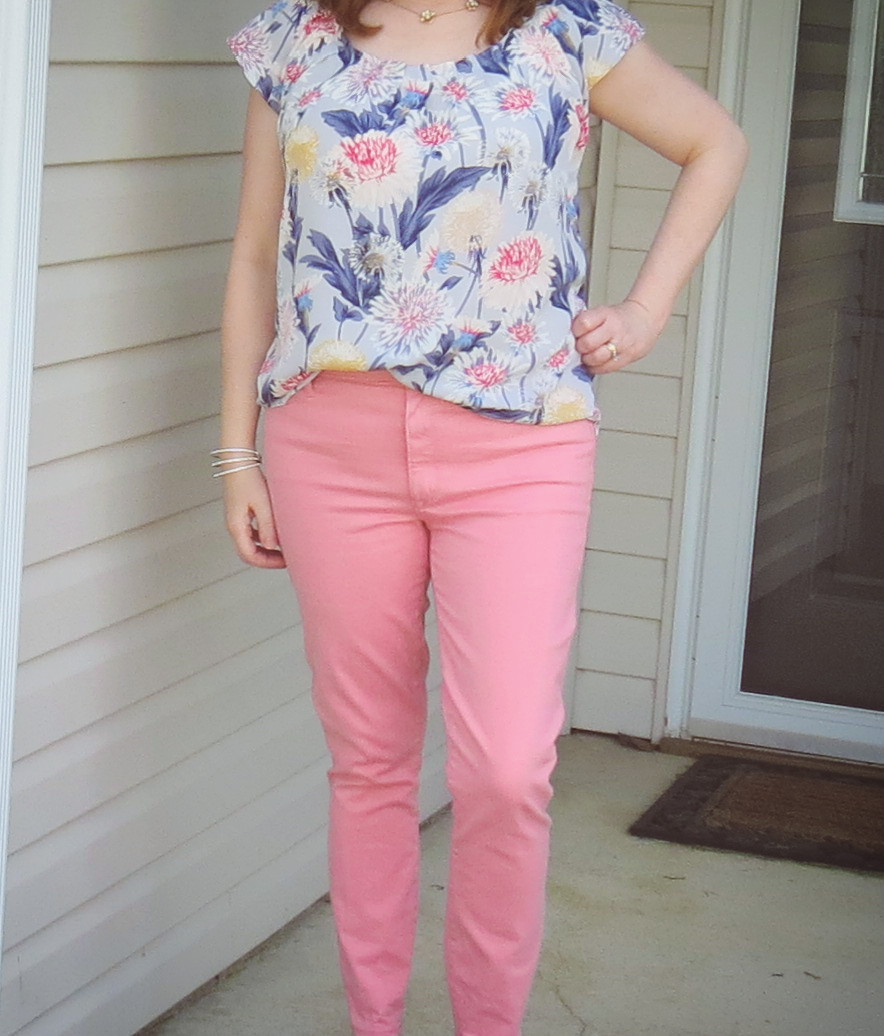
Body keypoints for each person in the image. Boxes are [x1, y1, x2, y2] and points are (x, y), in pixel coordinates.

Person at [219, 0, 748, 1032]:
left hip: (519, 440)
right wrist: (235, 450)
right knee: (368, 759)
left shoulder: (562, 28)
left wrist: (644, 307)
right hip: (330, 441)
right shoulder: (294, 38)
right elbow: (250, 255)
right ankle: (373, 1020)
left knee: (506, 766)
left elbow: (713, 141)